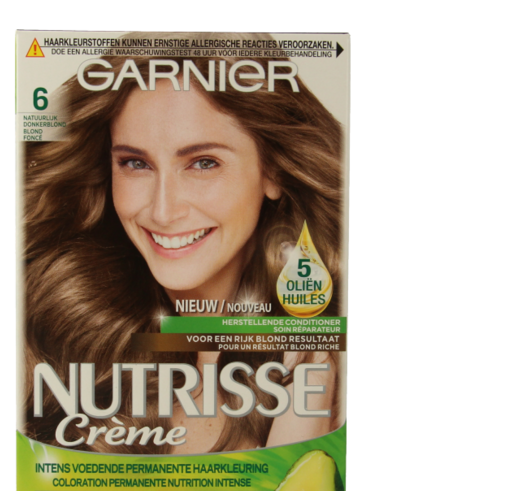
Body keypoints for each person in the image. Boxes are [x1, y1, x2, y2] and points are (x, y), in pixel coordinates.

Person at [23, 41, 343, 454]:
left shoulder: (328, 361)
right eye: (135, 163)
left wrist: (306, 423)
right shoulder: (49, 333)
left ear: (274, 171)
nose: (162, 210)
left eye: (203, 163)